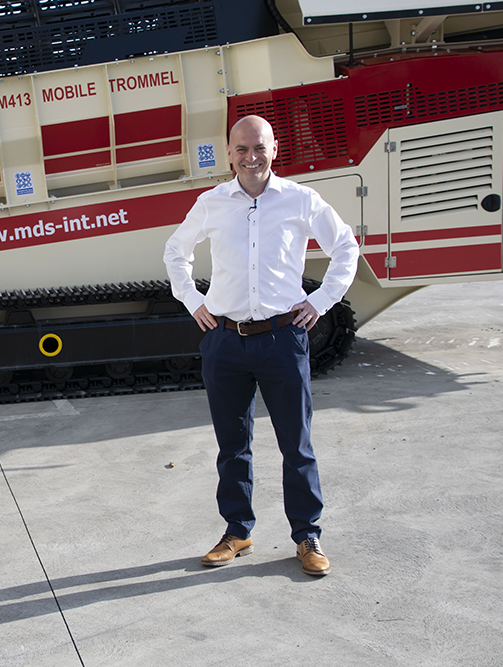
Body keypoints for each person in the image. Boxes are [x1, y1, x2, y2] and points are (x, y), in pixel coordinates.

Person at [163, 115, 358, 576]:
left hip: (281, 339)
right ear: (229, 153)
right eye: (242, 149)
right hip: (224, 341)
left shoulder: (299, 200)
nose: (251, 157)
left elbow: (345, 246)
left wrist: (322, 301)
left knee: (297, 443)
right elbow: (176, 252)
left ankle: (307, 535)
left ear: (274, 150)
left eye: (260, 148)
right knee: (233, 446)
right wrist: (193, 302)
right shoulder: (211, 203)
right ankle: (238, 531)